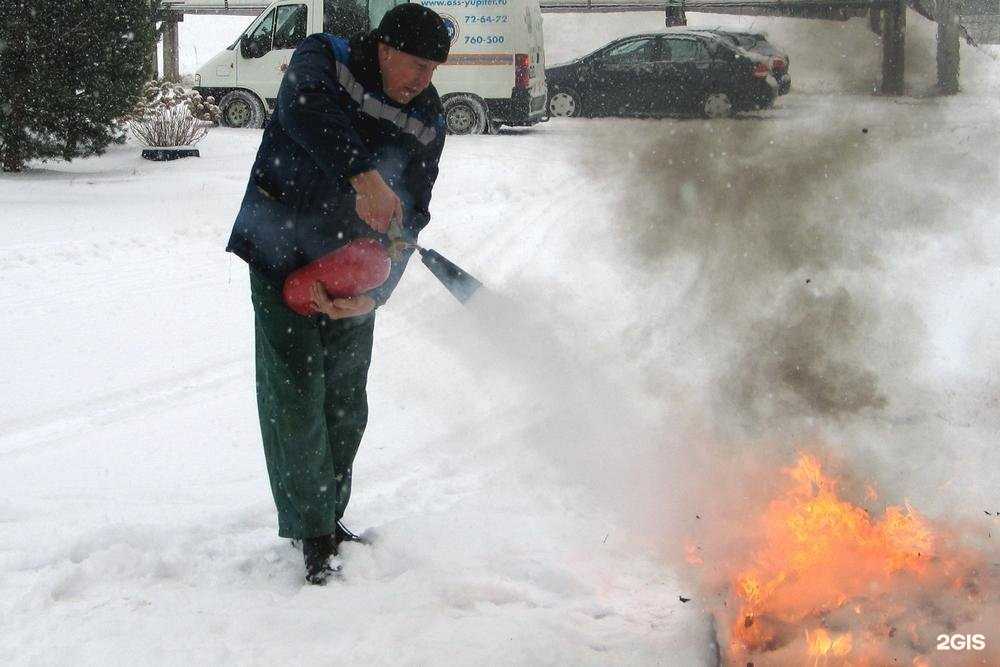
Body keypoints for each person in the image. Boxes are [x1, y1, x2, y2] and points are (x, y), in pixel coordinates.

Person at [225, 4, 451, 585]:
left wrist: (377, 294)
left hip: (353, 270)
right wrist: (365, 177)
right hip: (279, 249)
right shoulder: (326, 57)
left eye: (433, 69)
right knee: (296, 395)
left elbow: (413, 214)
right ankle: (313, 532)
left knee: (346, 401)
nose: (423, 79)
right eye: (416, 64)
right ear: (385, 47)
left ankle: (330, 514)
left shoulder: (428, 117)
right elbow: (302, 108)